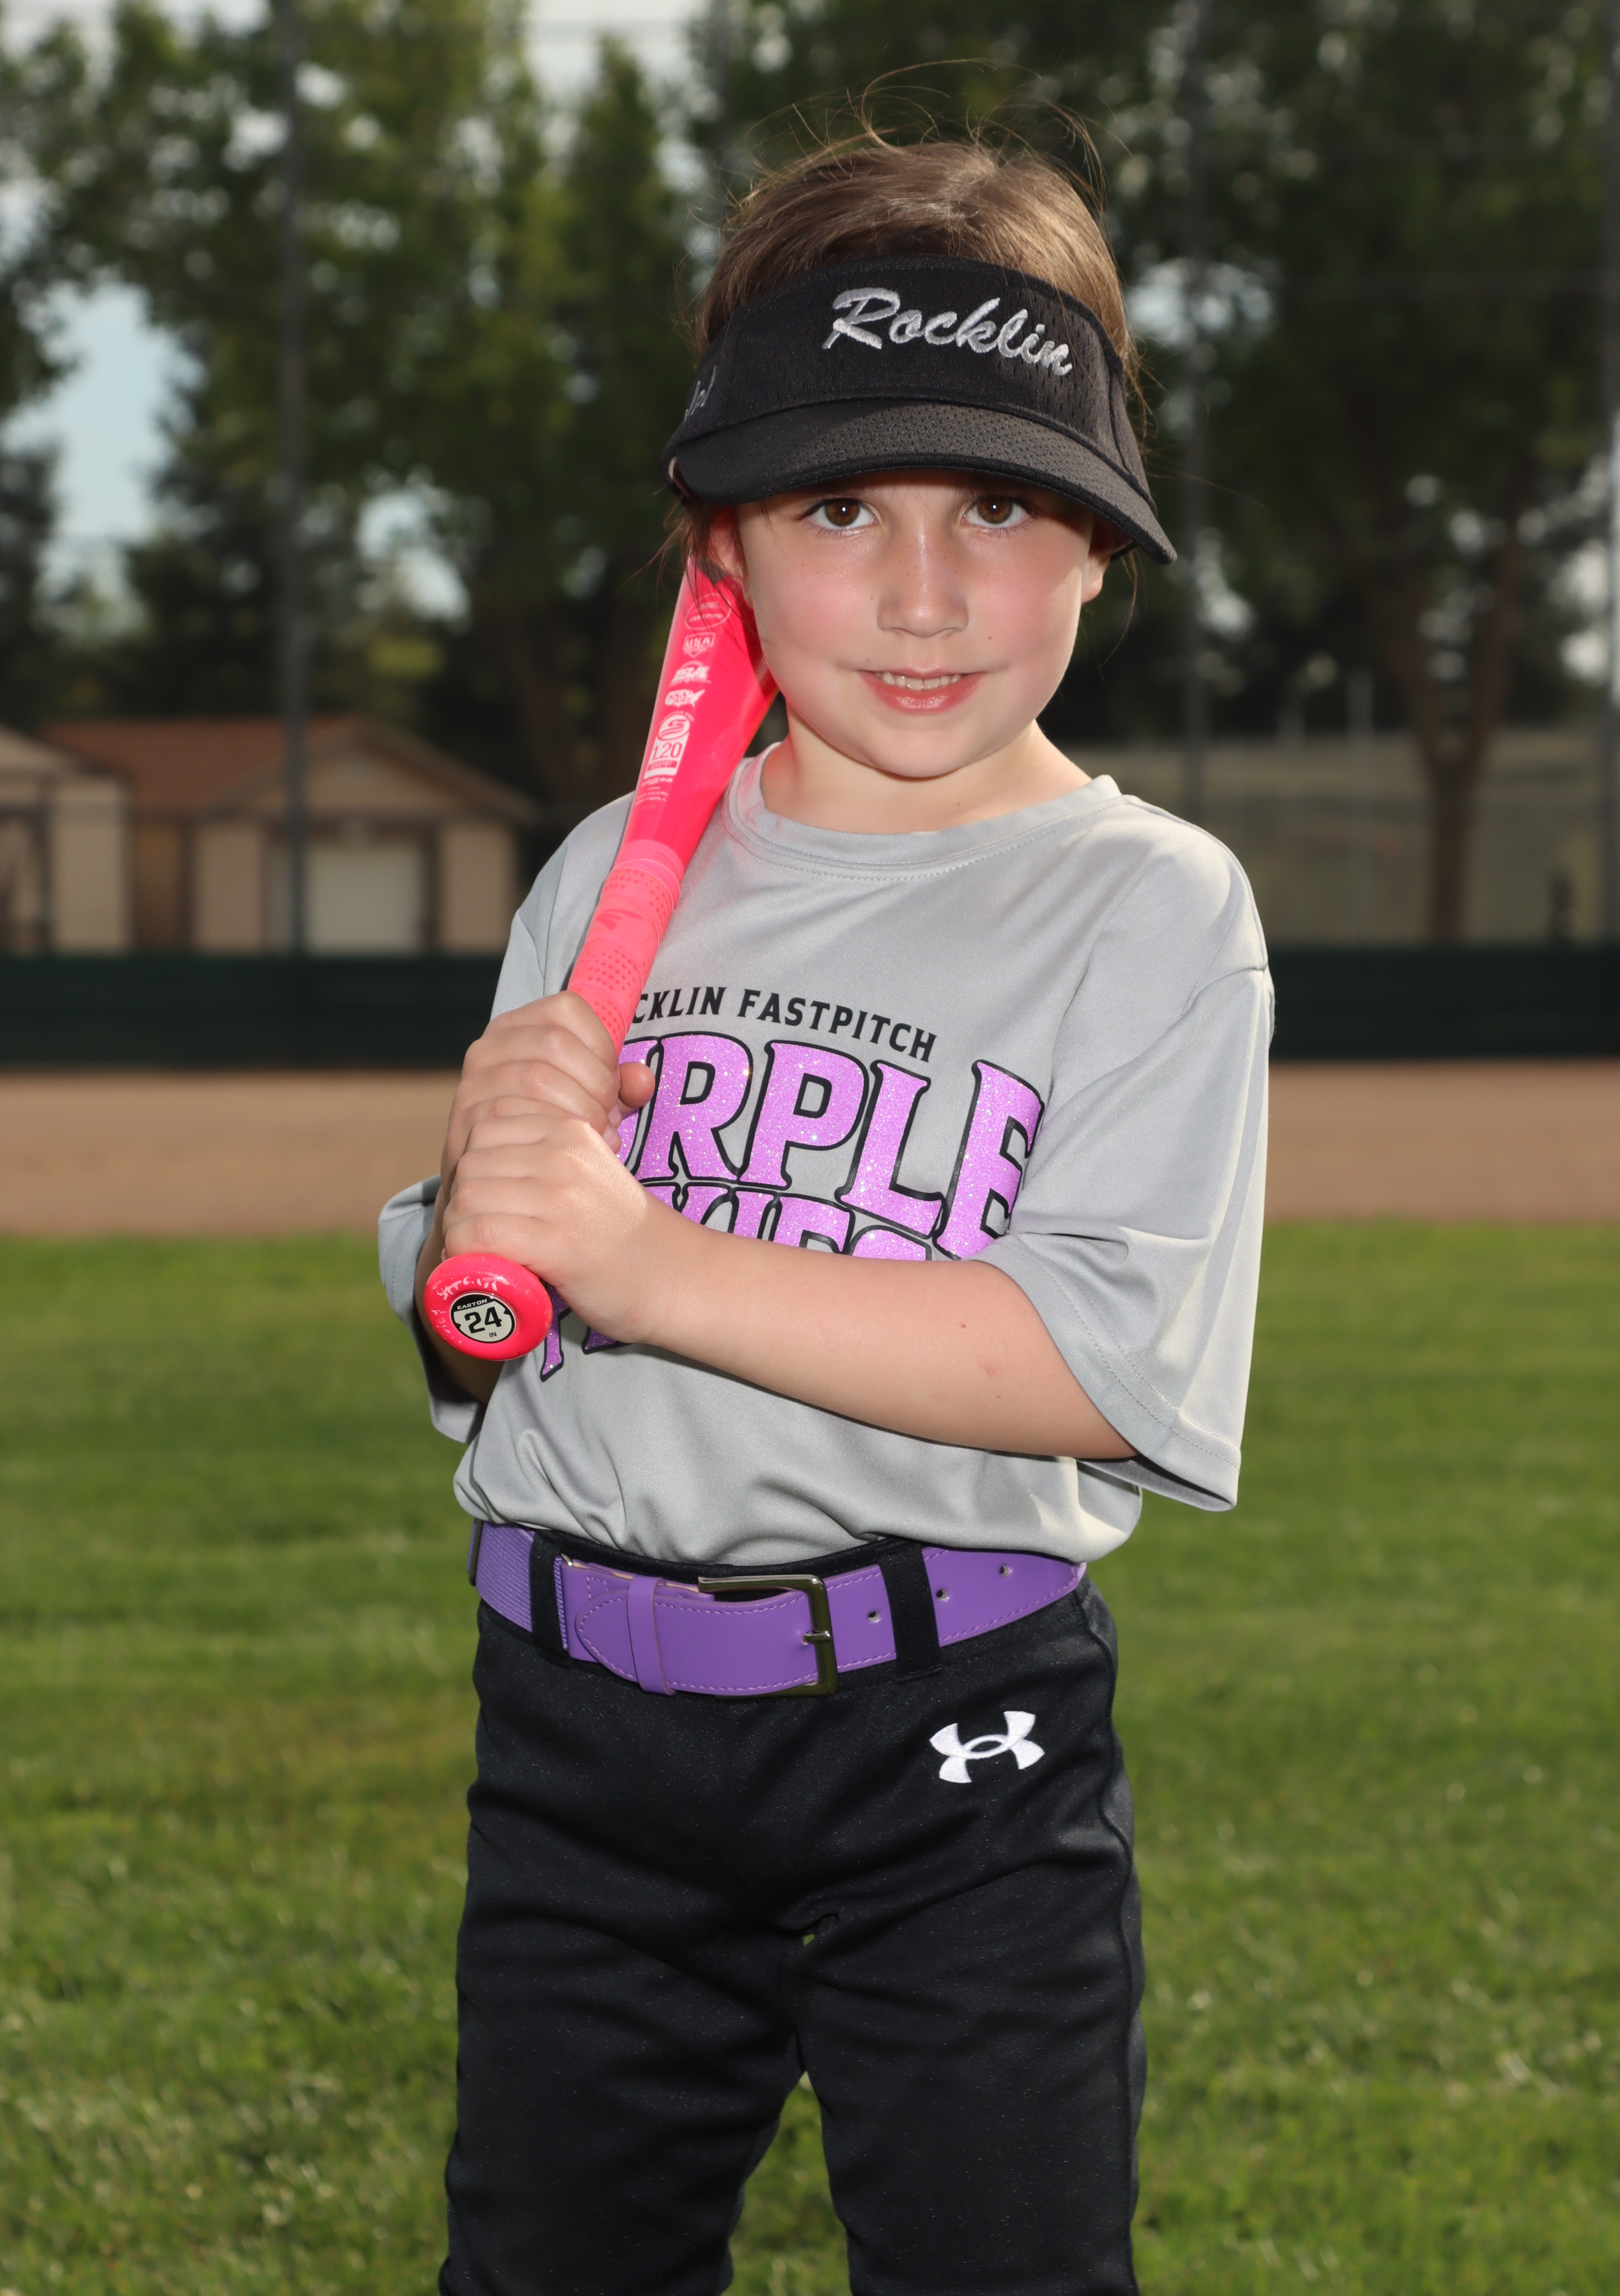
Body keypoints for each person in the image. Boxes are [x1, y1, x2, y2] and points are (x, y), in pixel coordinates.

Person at [380, 135, 1271, 2296]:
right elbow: (484, 1350)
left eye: (1001, 509)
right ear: (725, 547)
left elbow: (1088, 1367)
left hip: (948, 1741)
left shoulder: (1147, 908)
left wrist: (634, 1255)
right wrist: (477, 1228)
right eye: (840, 507)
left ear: (1097, 545)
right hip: (578, 1726)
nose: (924, 591)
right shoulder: (613, 875)